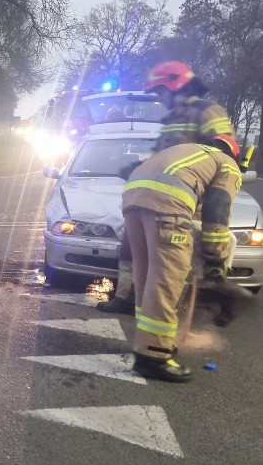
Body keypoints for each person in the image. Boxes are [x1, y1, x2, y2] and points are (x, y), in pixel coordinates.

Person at [98, 61, 237, 315]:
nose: (159, 99)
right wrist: (138, 167)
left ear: (175, 85)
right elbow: (165, 156)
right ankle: (128, 297)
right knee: (131, 246)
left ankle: (168, 309)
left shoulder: (207, 111)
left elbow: (222, 152)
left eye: (160, 92)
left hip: (185, 198)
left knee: (170, 258)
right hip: (161, 195)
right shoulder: (173, 118)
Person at [122, 138, 241, 382]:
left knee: (146, 275)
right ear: (233, 154)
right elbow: (217, 210)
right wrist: (216, 258)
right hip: (168, 206)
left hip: (133, 201)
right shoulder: (227, 164)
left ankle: (146, 342)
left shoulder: (188, 152)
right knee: (168, 279)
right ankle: (154, 356)